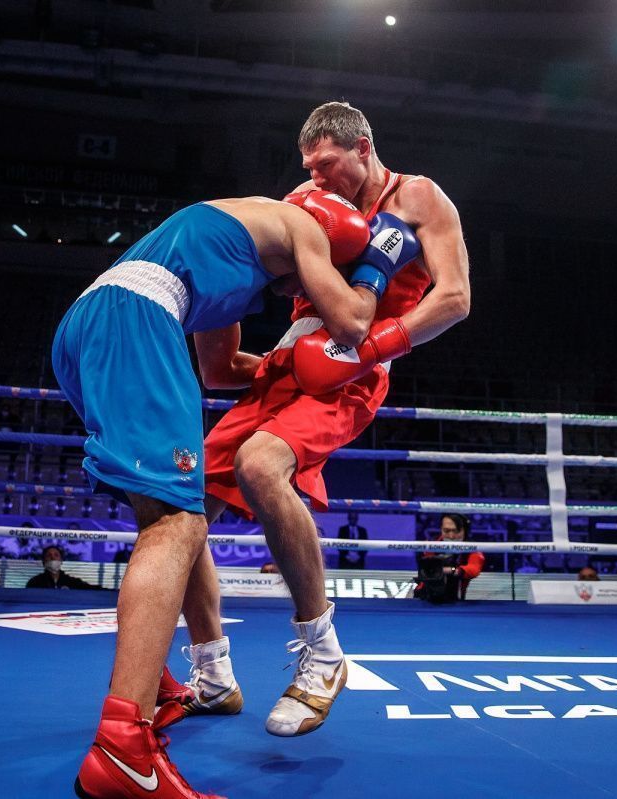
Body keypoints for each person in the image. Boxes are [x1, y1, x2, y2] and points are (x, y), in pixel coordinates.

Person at [53, 192, 407, 799]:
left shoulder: (229, 248)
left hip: (86, 324)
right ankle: (123, 747)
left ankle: (167, 685)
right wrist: (377, 263)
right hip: (138, 321)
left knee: (172, 512)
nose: (303, 290)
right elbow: (352, 322)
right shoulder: (303, 224)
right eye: (323, 272)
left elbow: (219, 370)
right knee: (175, 526)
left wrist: (290, 361)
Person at [179, 101, 471, 739]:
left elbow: (454, 298)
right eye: (309, 166)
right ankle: (212, 674)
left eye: (327, 164)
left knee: (260, 465)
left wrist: (373, 347)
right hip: (291, 359)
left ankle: (323, 653)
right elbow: (263, 281)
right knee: (181, 510)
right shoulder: (304, 201)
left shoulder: (418, 198)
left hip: (356, 367)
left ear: (363, 147)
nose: (316, 177)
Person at [413, 513, 485, 603]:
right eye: (446, 531)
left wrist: (452, 570)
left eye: (456, 531)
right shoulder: (431, 545)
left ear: (465, 530)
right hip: (424, 598)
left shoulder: (473, 548)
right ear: (441, 529)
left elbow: (474, 569)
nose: (451, 536)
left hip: (455, 599)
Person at [24, 545, 101, 590]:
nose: (53, 558)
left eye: (56, 555)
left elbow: (90, 589)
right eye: (49, 555)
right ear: (43, 561)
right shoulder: (34, 582)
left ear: (61, 561)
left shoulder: (72, 582)